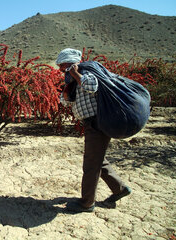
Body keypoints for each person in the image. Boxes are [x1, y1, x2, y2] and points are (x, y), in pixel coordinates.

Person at [56, 48, 131, 213]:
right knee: (98, 160)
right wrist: (68, 91)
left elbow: (92, 86)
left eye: (62, 65)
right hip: (91, 124)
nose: (60, 69)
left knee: (90, 164)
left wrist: (76, 74)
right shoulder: (72, 79)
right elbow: (65, 101)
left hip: (98, 123)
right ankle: (120, 189)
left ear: (70, 63)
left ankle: (87, 203)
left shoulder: (86, 72)